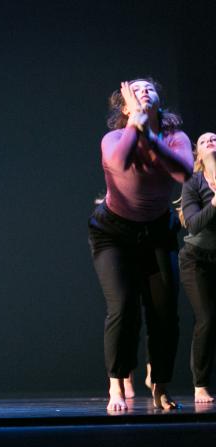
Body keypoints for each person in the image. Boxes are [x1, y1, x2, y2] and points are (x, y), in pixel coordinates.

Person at [88, 78, 193, 411]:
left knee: (164, 313)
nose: (143, 92)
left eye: (149, 88)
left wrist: (149, 134)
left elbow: (184, 171)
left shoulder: (175, 138)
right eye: (135, 91)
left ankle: (160, 385)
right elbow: (118, 163)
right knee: (123, 307)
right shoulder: (114, 137)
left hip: (158, 232)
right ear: (124, 107)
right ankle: (116, 385)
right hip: (113, 233)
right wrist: (136, 125)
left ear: (160, 100)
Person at [179, 131, 216, 403]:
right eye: (204, 141)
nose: (210, 142)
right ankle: (200, 384)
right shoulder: (193, 182)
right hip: (196, 258)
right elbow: (192, 223)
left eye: (215, 139)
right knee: (206, 317)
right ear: (198, 155)